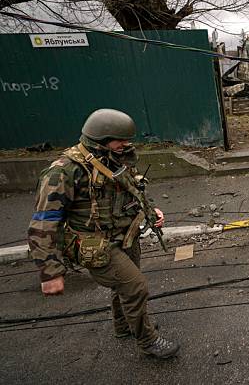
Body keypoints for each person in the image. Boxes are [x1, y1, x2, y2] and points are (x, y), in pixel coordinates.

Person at [27, 108, 180, 359]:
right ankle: (147, 340)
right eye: (121, 140)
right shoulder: (64, 171)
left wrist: (151, 211)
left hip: (125, 235)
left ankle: (124, 326)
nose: (127, 144)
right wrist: (49, 272)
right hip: (94, 244)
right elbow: (43, 225)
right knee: (135, 287)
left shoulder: (114, 157)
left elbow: (133, 188)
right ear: (101, 139)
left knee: (125, 286)